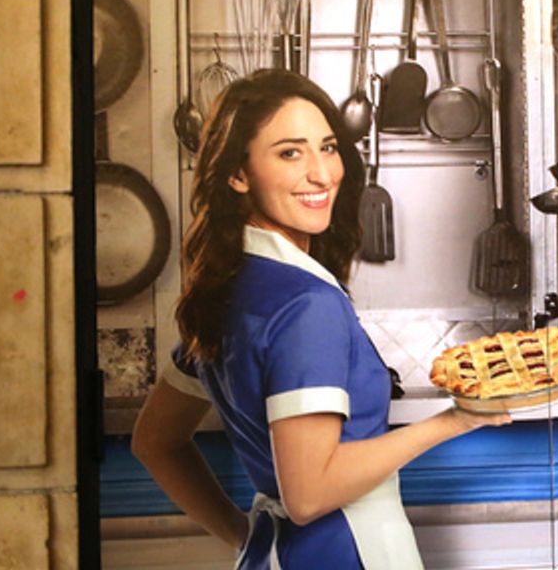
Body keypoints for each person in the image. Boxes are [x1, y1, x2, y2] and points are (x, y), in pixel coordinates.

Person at [132, 69, 508, 569]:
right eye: (290, 153)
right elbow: (309, 495)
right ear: (238, 174)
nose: (322, 174)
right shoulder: (307, 303)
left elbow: (155, 442)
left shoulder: (228, 287)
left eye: (327, 147)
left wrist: (245, 537)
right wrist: (452, 421)